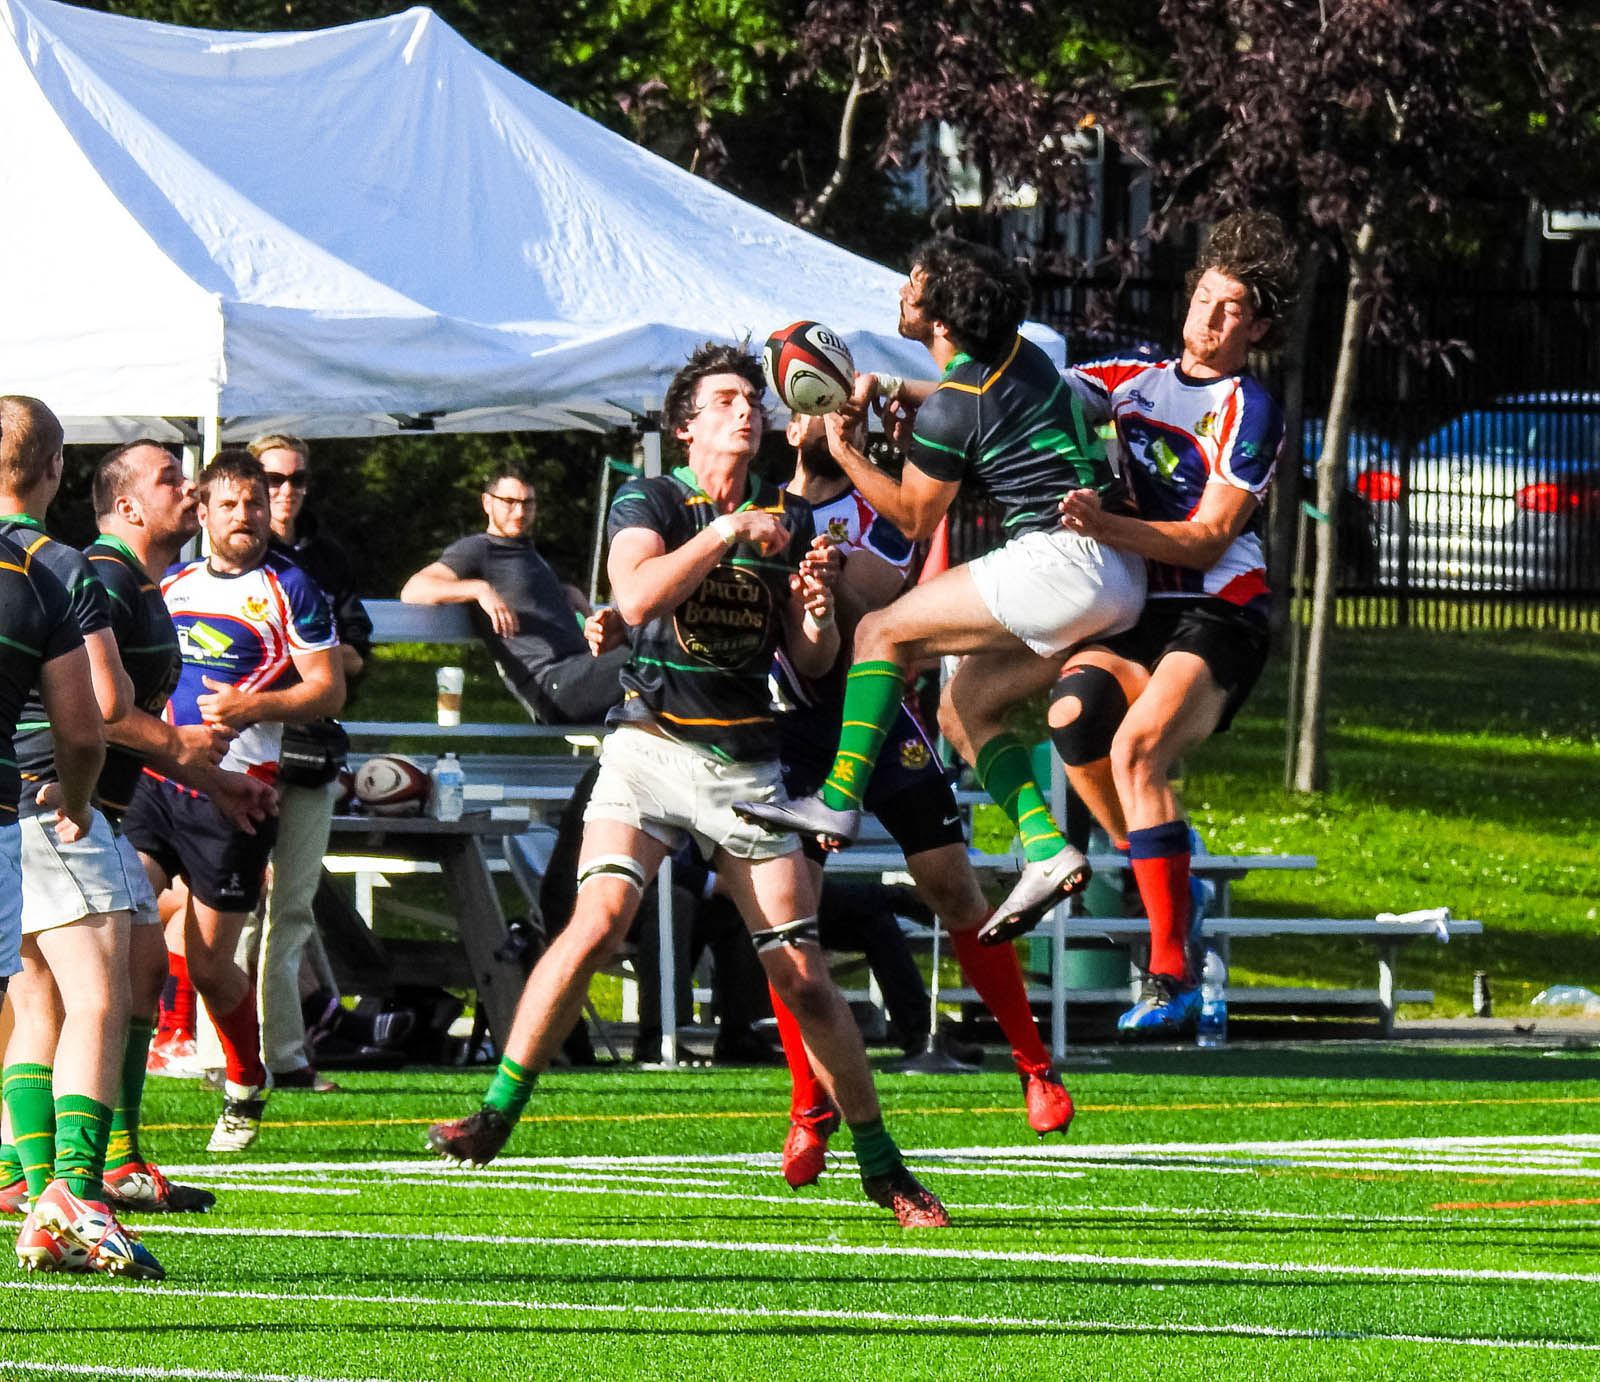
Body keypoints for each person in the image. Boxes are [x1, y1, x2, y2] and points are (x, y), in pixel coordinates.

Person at [427, 342, 949, 1227]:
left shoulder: (790, 515)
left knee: (806, 980)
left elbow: (811, 658)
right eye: (727, 399)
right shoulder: (655, 499)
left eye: (754, 398)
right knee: (596, 924)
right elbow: (632, 598)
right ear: (686, 425)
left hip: (746, 764)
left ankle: (885, 1170)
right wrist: (721, 532)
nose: (748, 409)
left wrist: (816, 608)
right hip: (650, 747)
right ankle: (496, 1113)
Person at [735, 237, 1145, 946]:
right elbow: (957, 400)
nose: (901, 292)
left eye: (913, 284)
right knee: (962, 706)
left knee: (880, 633)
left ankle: (836, 801)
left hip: (1059, 563)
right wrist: (891, 389)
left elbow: (915, 515)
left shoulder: (957, 404)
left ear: (942, 316)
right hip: (1117, 576)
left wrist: (847, 453)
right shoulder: (1023, 359)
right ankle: (1046, 847)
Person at [765, 408, 1078, 1188]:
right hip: (791, 728)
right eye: (798, 399)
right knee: (787, 923)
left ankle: (1033, 1065)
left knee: (951, 886)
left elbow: (886, 596)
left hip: (874, 715)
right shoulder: (761, 504)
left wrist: (828, 573)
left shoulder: (882, 499)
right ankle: (810, 1107)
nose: (810, 417)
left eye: (826, 402)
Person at [1049, 211, 1297, 1035]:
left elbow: (1207, 539)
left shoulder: (1248, 406)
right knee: (1074, 720)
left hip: (1219, 610)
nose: (1209, 319)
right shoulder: (1133, 380)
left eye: (1231, 310)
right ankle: (1164, 879)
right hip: (1140, 613)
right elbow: (1029, 390)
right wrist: (904, 390)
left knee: (1139, 749)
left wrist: (1100, 522)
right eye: (1202, 299)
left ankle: (1171, 970)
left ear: (1257, 328)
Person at [121, 450, 343, 1153]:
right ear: (204, 512)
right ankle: (117, 1126)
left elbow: (328, 689)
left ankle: (246, 1083)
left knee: (213, 964)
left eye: (254, 504)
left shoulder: (291, 587)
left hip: (237, 798)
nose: (245, 516)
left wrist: (255, 706)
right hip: (157, 783)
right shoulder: (176, 582)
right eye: (230, 505)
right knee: (126, 930)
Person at [87, 441, 276, 1208]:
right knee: (60, 995)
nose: (192, 488)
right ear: (128, 505)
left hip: (97, 807)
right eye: (172, 477)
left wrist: (215, 780)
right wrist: (182, 748)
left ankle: (114, 1164)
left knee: (132, 974)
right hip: (53, 810)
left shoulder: (142, 581)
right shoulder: (102, 576)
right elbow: (99, 711)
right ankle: (38, 1175)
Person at [0, 397, 164, 1278]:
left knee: (32, 1004)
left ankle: (33, 1196)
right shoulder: (51, 563)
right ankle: (78, 1196)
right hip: (36, 797)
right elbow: (101, 707)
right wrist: (81, 794)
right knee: (97, 997)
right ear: (57, 468)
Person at [239, 433, 372, 1092]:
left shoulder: (324, 559)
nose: (284, 492)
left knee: (290, 910)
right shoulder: (216, 567)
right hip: (232, 757)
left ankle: (287, 1057)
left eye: (297, 480)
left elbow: (350, 662)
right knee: (228, 910)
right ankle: (225, 1054)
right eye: (271, 479)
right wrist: (312, 659)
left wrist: (306, 663)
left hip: (308, 748)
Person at [401, 465, 628, 725]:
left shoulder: (529, 554)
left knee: (658, 647)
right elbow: (414, 589)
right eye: (509, 502)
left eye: (528, 503)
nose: (519, 512)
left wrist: (564, 592)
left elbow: (525, 592)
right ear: (487, 502)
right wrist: (479, 589)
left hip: (580, 670)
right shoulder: (477, 550)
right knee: (652, 659)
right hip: (552, 686)